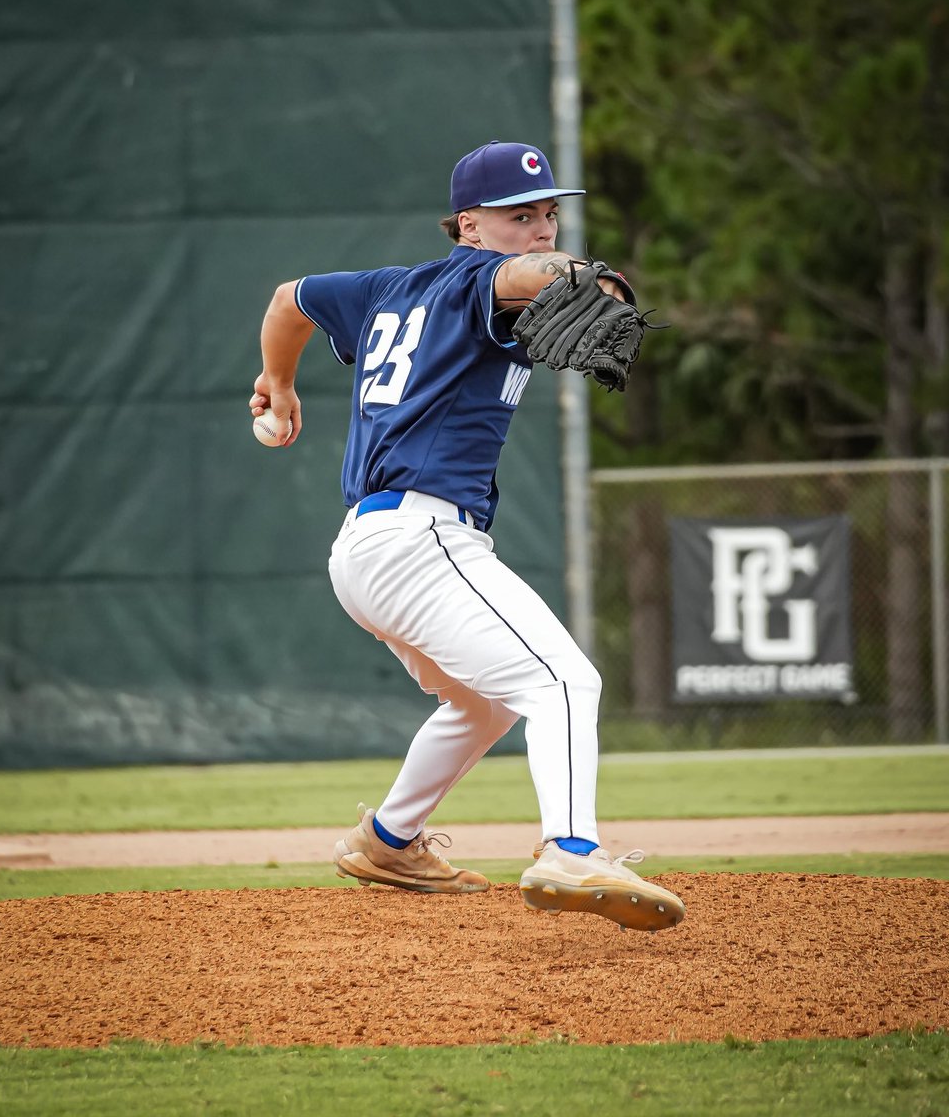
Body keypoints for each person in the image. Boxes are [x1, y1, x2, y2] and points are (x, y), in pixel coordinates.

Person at [250, 140, 685, 933]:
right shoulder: (486, 277)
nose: (542, 229)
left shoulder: (385, 288)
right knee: (563, 682)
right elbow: (520, 278)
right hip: (423, 538)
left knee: (483, 704)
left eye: (550, 215)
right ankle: (571, 848)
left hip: (365, 551)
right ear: (470, 226)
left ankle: (389, 840)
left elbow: (290, 299)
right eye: (521, 217)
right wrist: (583, 276)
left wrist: (276, 384)